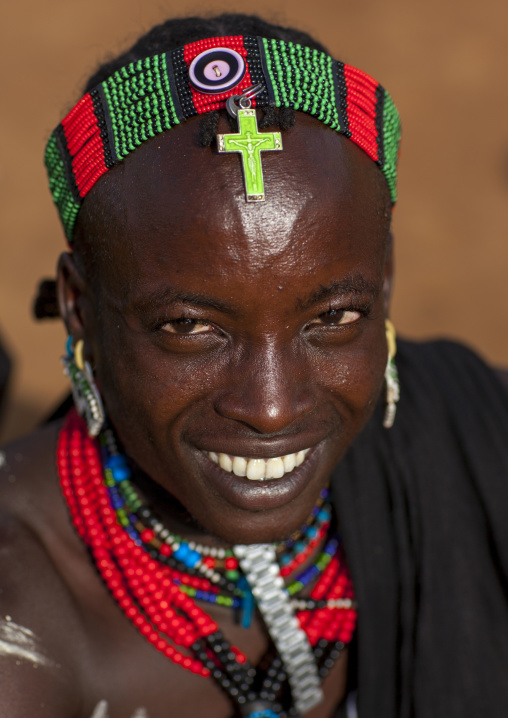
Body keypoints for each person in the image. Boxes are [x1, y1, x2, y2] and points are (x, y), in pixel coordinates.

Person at [1, 12, 508, 718]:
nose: (271, 407)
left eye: (332, 319)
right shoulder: (21, 620)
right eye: (189, 328)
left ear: (384, 283)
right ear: (80, 307)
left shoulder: (473, 441)